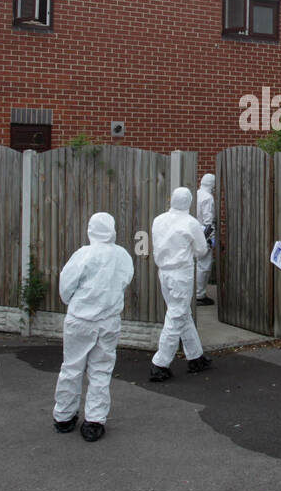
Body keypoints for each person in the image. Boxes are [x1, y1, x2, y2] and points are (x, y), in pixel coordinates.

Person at [52, 212, 134, 442]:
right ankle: (95, 421)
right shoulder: (123, 256)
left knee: (72, 367)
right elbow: (124, 280)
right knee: (101, 369)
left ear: (90, 229)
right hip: (109, 320)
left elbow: (66, 287)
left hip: (80, 320)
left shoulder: (83, 255)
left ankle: (64, 416)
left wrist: (79, 302)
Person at [149, 186, 212, 381]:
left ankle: (196, 357)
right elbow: (201, 250)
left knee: (182, 313)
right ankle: (160, 363)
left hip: (164, 273)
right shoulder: (191, 223)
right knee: (176, 315)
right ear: (190, 202)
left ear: (171, 200)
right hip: (181, 274)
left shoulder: (158, 220)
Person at [195, 173, 216, 306]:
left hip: (194, 232)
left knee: (196, 264)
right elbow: (208, 222)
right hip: (204, 233)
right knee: (204, 265)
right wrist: (209, 240)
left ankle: (195, 293)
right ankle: (199, 295)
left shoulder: (196, 193)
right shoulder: (208, 198)